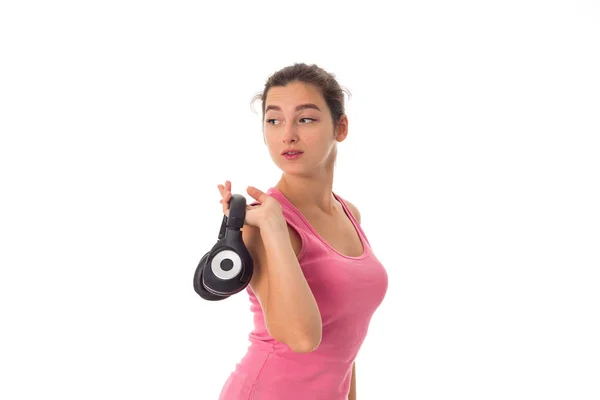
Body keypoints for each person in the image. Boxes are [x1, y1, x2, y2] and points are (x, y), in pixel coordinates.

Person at [215, 63, 388, 400]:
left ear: (341, 127)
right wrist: (274, 227)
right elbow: (302, 339)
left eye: (305, 118)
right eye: (274, 120)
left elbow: (345, 345)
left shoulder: (349, 214)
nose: (287, 134)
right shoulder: (261, 224)